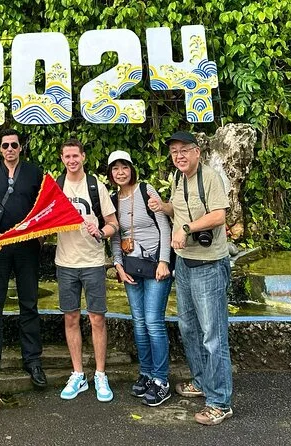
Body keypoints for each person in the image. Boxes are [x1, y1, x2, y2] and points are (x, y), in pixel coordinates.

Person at [148, 131, 233, 425]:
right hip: (184, 264)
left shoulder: (209, 177)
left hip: (209, 265)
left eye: (184, 150)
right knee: (189, 328)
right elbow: (179, 209)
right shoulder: (178, 178)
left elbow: (219, 216)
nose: (179, 156)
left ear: (197, 152)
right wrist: (163, 208)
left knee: (213, 336)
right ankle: (201, 381)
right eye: (174, 152)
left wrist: (186, 230)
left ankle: (220, 402)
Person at [0, 129, 47, 388]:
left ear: (20, 147)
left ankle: (33, 360)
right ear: (0, 148)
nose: (10, 149)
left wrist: (41, 235)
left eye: (14, 145)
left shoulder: (34, 172)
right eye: (5, 145)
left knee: (29, 303)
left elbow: (43, 206)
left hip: (26, 245)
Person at [107, 150, 173, 407]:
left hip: (156, 265)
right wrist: (118, 265)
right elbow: (115, 236)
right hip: (131, 267)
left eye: (124, 167)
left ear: (132, 169)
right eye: (115, 168)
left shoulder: (146, 190)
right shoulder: (113, 200)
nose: (120, 172)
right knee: (139, 322)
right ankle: (146, 373)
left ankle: (161, 380)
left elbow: (164, 226)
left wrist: (164, 261)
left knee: (153, 321)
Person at [55, 139, 119, 402]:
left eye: (75, 156)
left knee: (97, 319)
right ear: (62, 159)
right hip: (65, 262)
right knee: (70, 318)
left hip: (92, 261)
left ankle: (100, 374)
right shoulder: (56, 187)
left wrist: (101, 231)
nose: (72, 160)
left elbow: (113, 223)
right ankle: (78, 373)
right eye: (67, 156)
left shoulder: (96, 186)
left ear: (83, 157)